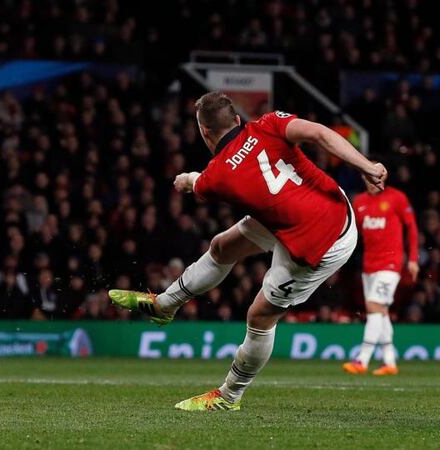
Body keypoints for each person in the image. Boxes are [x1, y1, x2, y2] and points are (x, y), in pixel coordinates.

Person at [109, 92, 386, 411]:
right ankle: (165, 306)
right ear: (238, 120)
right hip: (330, 204)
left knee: (261, 315)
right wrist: (367, 166)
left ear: (204, 132)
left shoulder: (216, 178)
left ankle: (229, 396)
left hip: (323, 242)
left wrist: (185, 180)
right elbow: (320, 133)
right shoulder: (270, 123)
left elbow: (198, 184)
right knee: (222, 246)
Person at [343, 172, 418, 376]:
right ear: (362, 178)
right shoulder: (359, 202)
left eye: (376, 178)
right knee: (379, 311)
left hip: (391, 264)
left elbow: (411, 228)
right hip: (369, 266)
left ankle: (362, 359)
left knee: (374, 306)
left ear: (383, 178)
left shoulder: (397, 198)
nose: (372, 182)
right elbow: (354, 232)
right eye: (367, 178)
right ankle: (390, 362)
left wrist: (412, 259)